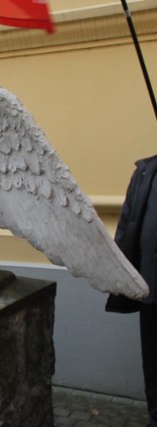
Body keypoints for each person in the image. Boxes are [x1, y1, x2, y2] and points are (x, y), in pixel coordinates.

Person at [105, 154, 157, 426]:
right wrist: (118, 271)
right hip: (150, 287)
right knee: (153, 361)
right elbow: (127, 223)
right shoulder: (145, 172)